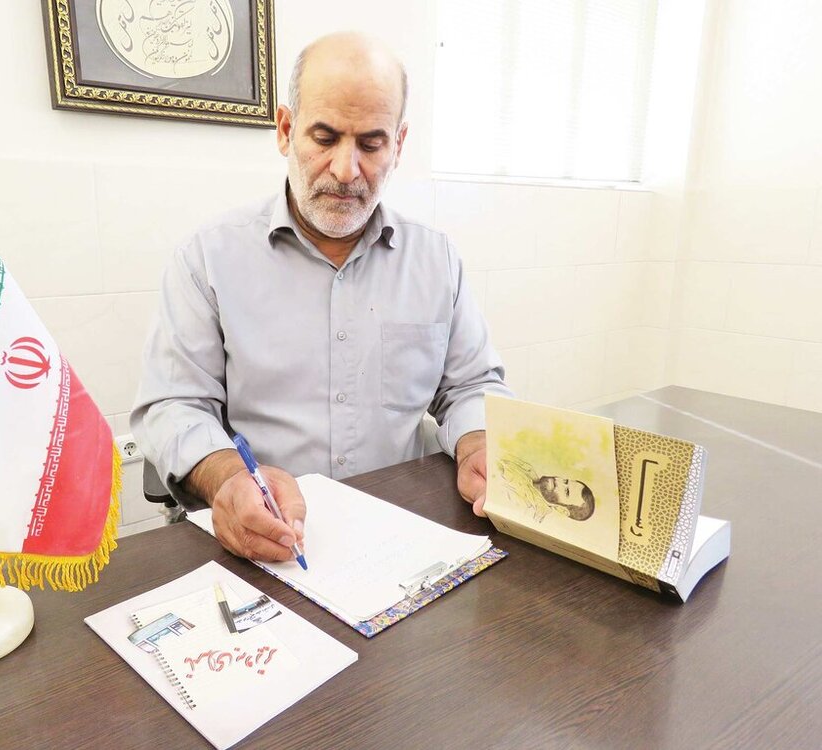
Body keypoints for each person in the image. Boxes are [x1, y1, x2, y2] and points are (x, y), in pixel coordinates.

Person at [131, 32, 512, 563]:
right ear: (286, 130)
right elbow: (174, 405)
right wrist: (226, 477)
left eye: (371, 144)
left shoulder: (436, 260)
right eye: (325, 137)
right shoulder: (207, 260)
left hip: (401, 534)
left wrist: (477, 444)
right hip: (266, 544)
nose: (345, 170)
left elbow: (470, 385)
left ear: (398, 145)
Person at [497, 455, 595, 523]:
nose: (558, 481)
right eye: (565, 481)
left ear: (562, 510)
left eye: (566, 491)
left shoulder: (526, 509)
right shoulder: (528, 469)